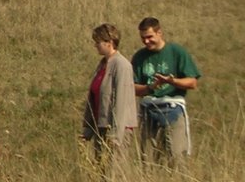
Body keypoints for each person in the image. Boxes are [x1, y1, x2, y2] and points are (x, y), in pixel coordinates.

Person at [131, 17, 201, 168]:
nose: (146, 41)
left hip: (173, 108)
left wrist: (172, 81)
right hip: (148, 109)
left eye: (150, 37)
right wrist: (151, 87)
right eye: (143, 38)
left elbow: (192, 82)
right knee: (147, 158)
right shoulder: (139, 57)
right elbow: (132, 87)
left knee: (176, 156)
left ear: (159, 33)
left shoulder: (176, 52)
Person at [81, 23, 137, 180]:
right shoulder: (102, 65)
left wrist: (116, 135)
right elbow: (93, 98)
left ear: (109, 42)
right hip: (101, 127)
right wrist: (89, 128)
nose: (95, 45)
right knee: (100, 172)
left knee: (114, 173)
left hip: (116, 130)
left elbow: (121, 101)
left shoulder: (122, 65)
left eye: (98, 42)